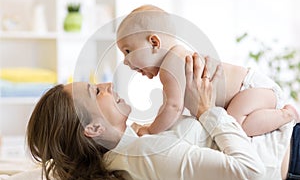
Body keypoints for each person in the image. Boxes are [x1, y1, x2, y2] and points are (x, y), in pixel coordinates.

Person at [8, 54, 296, 180]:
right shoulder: (148, 154)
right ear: (93, 128)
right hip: (292, 155)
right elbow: (251, 173)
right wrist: (208, 110)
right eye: (96, 92)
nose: (108, 86)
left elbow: (49, 171)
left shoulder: (128, 143)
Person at [116, 4, 299, 137]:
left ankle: (286, 114)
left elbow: (173, 108)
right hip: (250, 91)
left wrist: (149, 131)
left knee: (234, 127)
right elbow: (168, 109)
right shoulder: (173, 63)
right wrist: (154, 124)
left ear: (154, 43)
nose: (125, 61)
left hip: (251, 89)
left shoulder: (171, 65)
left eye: (127, 51)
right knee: (229, 123)